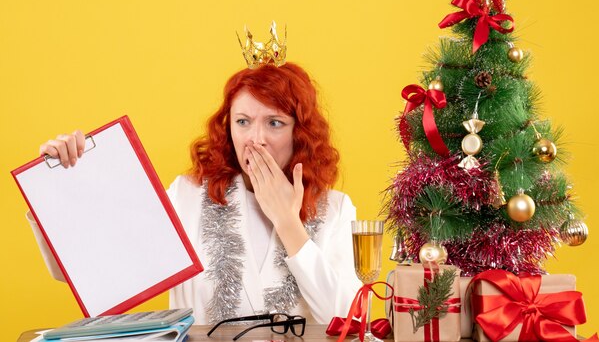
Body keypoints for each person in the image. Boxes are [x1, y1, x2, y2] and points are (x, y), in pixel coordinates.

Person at [29, 29, 362, 325]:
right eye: (243, 122)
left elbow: (350, 319)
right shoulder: (188, 196)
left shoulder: (335, 209)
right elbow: (92, 274)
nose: (255, 139)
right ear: (227, 126)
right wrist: (61, 182)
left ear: (299, 133)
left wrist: (288, 224)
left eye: (274, 122)